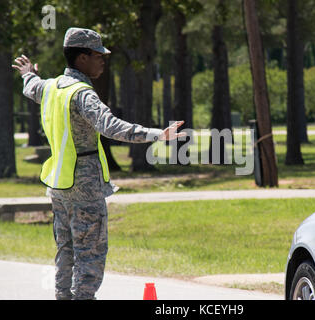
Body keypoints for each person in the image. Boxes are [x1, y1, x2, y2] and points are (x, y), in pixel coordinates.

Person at [12, 27, 185, 300]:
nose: (103, 59)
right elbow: (111, 127)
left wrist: (28, 73)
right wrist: (157, 135)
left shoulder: (51, 87)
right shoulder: (83, 94)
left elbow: (31, 87)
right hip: (85, 184)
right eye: (97, 55)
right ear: (82, 58)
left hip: (59, 184)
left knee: (66, 249)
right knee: (89, 252)